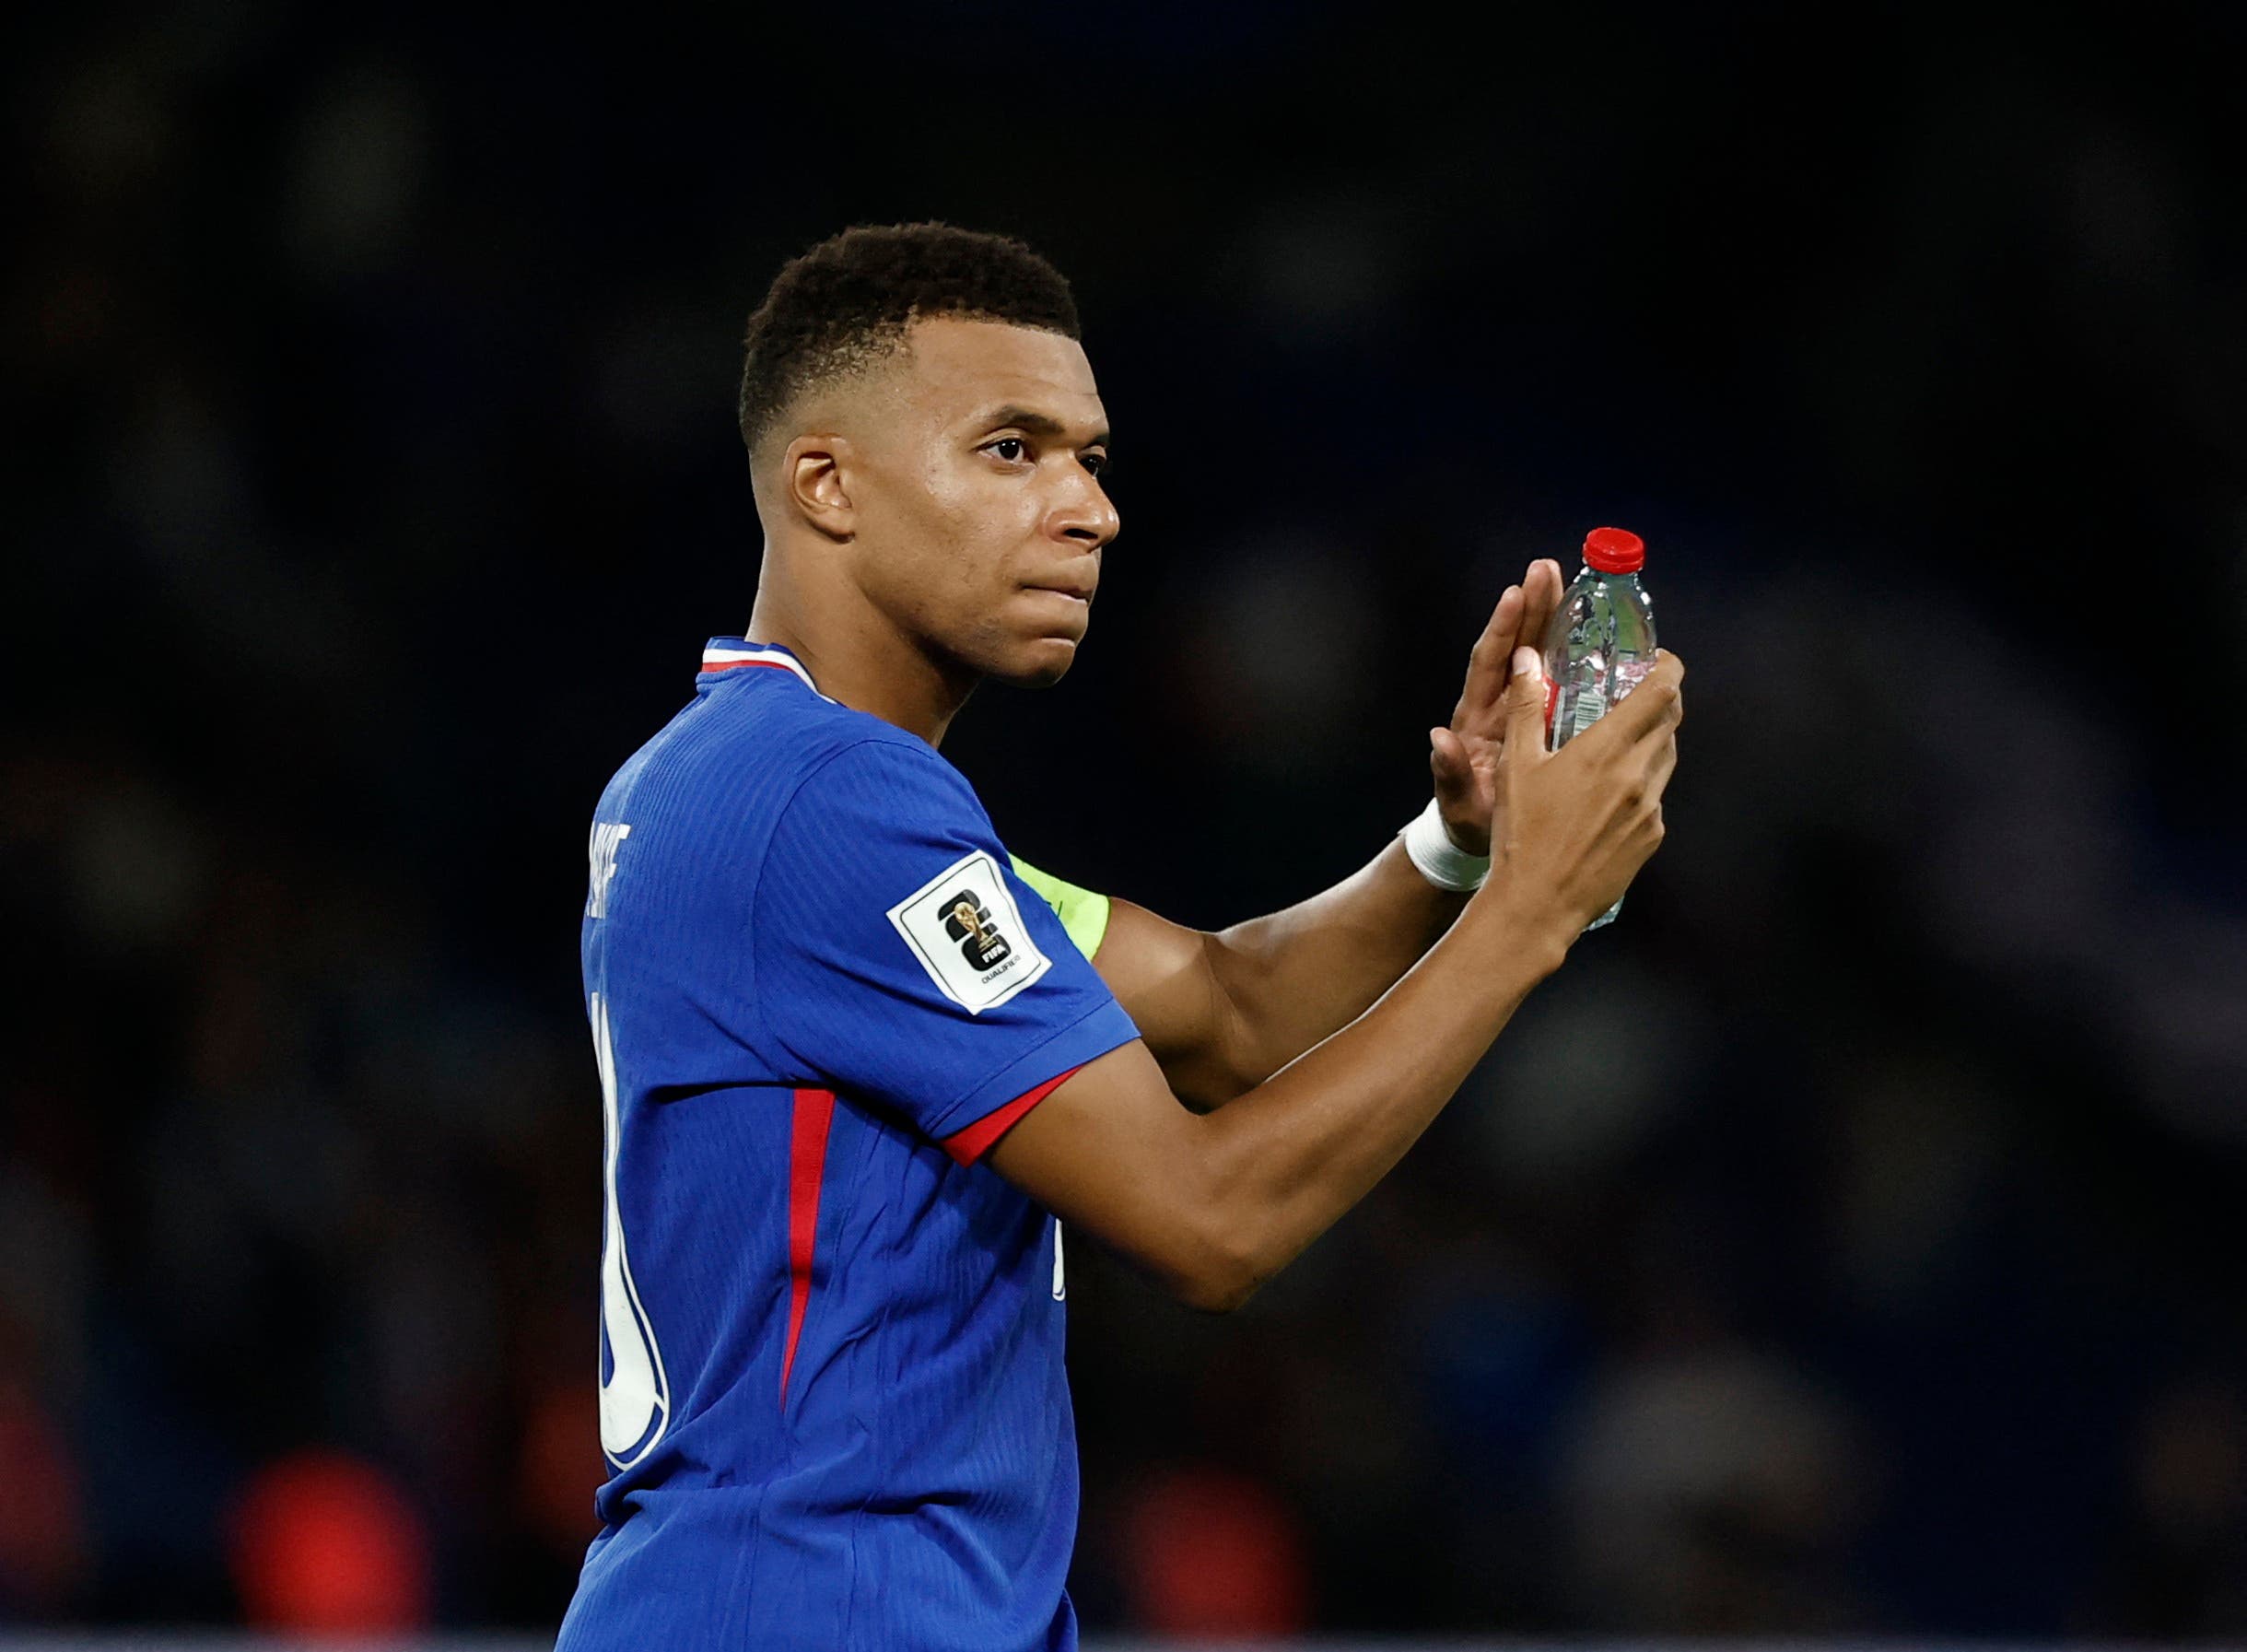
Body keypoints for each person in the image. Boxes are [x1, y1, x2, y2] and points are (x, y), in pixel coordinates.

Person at [556, 221, 1682, 1651]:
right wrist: (1534, 906)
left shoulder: (756, 780)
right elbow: (1216, 1220)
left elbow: (1224, 1006)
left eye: (1090, 458)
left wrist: (1461, 844)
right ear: (824, 483)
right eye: (1012, 449)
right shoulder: (831, 805)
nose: (1089, 508)